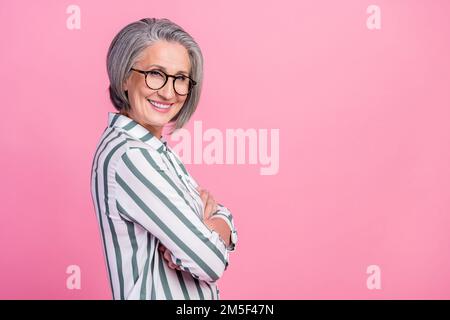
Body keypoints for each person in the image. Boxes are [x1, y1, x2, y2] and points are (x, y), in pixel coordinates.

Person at [90, 18, 238, 300]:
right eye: (155, 73)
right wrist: (205, 235)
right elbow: (210, 261)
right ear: (124, 76)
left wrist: (213, 227)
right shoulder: (131, 156)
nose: (169, 92)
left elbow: (220, 215)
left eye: (181, 78)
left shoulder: (154, 149)